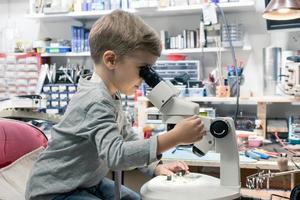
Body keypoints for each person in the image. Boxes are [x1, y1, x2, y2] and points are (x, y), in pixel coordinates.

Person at [25, 10, 204, 200]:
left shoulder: (110, 93)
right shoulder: (95, 99)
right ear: (111, 60)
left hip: (86, 181)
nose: (145, 78)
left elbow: (126, 137)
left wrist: (155, 167)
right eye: (142, 69)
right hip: (54, 191)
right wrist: (174, 138)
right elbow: (116, 155)